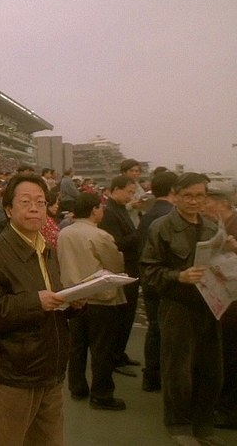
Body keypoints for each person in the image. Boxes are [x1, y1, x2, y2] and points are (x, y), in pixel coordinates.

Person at [0, 174, 82, 446]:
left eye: (40, 203)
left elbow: (50, 298)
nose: (34, 209)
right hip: (13, 376)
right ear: (8, 210)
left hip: (49, 373)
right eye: (26, 202)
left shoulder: (46, 249)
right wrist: (34, 302)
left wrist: (72, 303)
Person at [141, 172, 223, 446]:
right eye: (188, 196)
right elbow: (149, 272)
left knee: (210, 369)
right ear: (176, 196)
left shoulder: (212, 227)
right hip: (176, 306)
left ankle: (203, 424)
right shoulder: (162, 227)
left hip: (209, 305)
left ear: (206, 198)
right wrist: (179, 276)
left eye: (199, 196)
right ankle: (178, 424)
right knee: (178, 369)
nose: (194, 201)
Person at [58, 193, 127, 411]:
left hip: (74, 297)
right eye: (100, 207)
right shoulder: (100, 235)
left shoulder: (64, 233)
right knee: (102, 349)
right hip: (100, 299)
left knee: (77, 346)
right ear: (93, 210)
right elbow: (115, 265)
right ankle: (101, 394)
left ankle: (77, 387)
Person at [202, 181, 237, 430]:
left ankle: (233, 414)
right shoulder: (221, 226)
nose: (203, 205)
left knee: (232, 363)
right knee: (225, 361)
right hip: (226, 305)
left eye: (207, 200)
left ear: (223, 203)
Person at [136, 170, 178, 393]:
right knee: (167, 331)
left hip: (148, 278)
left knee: (154, 328)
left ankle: (151, 376)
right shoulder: (171, 217)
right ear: (173, 190)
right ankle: (163, 376)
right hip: (166, 280)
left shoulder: (148, 214)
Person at [99, 175, 142, 376]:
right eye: (128, 192)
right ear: (116, 189)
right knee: (121, 316)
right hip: (122, 268)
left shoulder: (121, 209)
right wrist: (140, 234)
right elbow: (116, 243)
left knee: (127, 315)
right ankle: (114, 356)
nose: (130, 196)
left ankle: (120, 353)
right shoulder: (109, 213)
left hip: (130, 267)